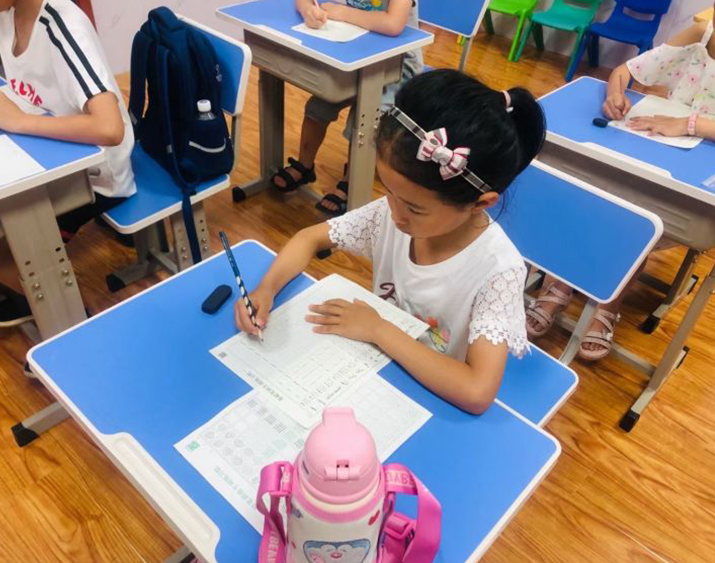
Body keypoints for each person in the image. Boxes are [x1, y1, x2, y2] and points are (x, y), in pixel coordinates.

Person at [234, 69, 546, 415]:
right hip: (375, 371)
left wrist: (379, 329)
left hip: (431, 397)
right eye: (388, 191)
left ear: (480, 203)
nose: (395, 214)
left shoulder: (498, 270)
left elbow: (476, 392)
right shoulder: (393, 214)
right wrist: (266, 290)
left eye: (414, 207)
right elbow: (309, 238)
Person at [527, 6, 715, 361]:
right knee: (592, 196)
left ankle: (608, 303)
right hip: (657, 149)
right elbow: (624, 71)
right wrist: (615, 93)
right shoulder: (699, 35)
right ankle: (561, 283)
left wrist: (689, 124)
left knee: (637, 222)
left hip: (695, 174)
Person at [0, 0, 135, 326]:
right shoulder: (6, 12)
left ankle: (71, 314)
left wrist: (18, 121)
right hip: (46, 152)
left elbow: (109, 128)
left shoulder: (63, 26)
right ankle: (34, 295)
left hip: (96, 176)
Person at [270, 0, 423, 217]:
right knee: (318, 107)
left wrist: (343, 12)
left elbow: (393, 24)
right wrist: (308, 11)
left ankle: (351, 183)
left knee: (364, 119)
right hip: (353, 51)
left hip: (396, 63)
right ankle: (304, 166)